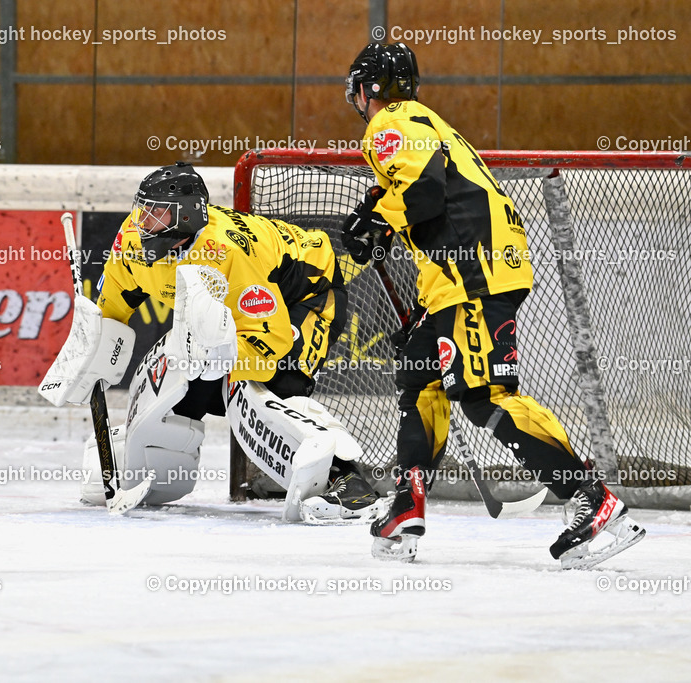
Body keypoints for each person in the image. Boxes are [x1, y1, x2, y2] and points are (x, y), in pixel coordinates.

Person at [338, 41, 645, 567]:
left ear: (370, 88)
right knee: (419, 377)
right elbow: (430, 194)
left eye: (359, 92)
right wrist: (379, 213)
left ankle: (591, 497)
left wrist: (378, 219)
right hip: (462, 274)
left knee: (485, 397)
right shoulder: (425, 122)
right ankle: (406, 503)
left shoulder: (392, 121)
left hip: (473, 273)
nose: (359, 103)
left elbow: (428, 195)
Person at [41, 162, 381, 522]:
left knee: (263, 385)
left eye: (154, 213)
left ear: (184, 217)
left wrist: (225, 364)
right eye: (141, 209)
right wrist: (91, 351)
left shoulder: (227, 254)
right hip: (235, 308)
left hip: (304, 293)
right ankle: (156, 471)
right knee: (182, 381)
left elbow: (271, 338)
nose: (141, 221)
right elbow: (113, 309)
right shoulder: (131, 239)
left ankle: (348, 482)